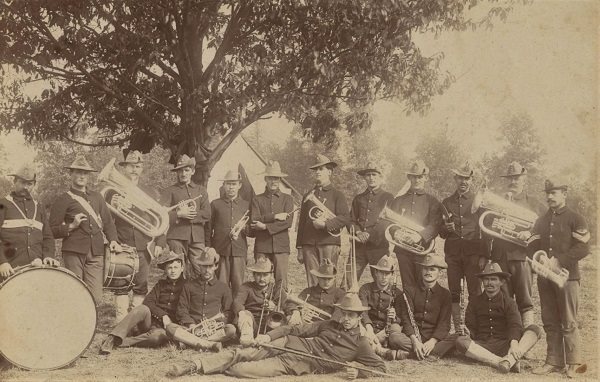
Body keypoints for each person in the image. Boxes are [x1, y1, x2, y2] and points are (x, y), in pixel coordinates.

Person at [168, 292, 386, 380]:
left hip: (295, 364)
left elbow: (381, 369)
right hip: (286, 343)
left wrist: (358, 372)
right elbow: (294, 330)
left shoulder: (361, 343)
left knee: (240, 369)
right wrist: (269, 337)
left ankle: (216, 365)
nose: (346, 319)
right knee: (241, 352)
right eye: (344, 313)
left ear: (359, 317)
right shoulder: (329, 324)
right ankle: (194, 366)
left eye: (351, 316)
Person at [521, 179, 590, 378]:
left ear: (564, 193)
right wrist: (541, 258)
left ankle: (573, 362)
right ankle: (553, 361)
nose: (550, 197)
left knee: (568, 321)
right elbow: (532, 245)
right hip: (545, 278)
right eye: (548, 193)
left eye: (555, 193)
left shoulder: (576, 218)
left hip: (568, 278)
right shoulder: (541, 220)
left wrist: (560, 261)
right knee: (550, 320)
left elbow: (583, 247)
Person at [49, 155, 121, 304]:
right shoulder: (62, 200)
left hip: (96, 252)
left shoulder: (97, 197)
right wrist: (71, 226)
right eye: (78, 172)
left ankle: (90, 326)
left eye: (85, 173)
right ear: (71, 174)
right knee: (74, 293)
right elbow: (52, 230)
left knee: (96, 297)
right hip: (73, 251)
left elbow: (108, 222)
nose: (82, 176)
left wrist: (113, 240)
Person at [485, 162, 546, 327]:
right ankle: (505, 338)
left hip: (522, 257)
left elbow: (547, 226)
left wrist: (530, 233)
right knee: (502, 299)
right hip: (499, 257)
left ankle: (526, 337)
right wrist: (494, 224)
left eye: (516, 178)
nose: (513, 181)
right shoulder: (498, 201)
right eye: (510, 178)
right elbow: (485, 226)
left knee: (525, 300)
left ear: (524, 179)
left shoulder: (533, 203)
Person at [455, 262, 541, 373]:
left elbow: (515, 324)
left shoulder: (509, 302)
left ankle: (509, 359)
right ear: (482, 281)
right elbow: (471, 327)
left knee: (535, 329)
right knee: (460, 341)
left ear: (502, 282)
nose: (489, 283)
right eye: (486, 279)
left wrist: (514, 343)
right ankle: (503, 362)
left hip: (505, 345)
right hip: (482, 346)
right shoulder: (474, 302)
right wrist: (468, 332)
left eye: (494, 279)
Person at [110, 150, 166, 320]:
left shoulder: (149, 191)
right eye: (131, 166)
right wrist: (111, 205)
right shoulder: (113, 190)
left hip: (144, 244)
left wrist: (160, 243)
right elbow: (106, 220)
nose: (134, 169)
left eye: (138, 166)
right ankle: (121, 320)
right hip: (122, 242)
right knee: (121, 283)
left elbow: (161, 218)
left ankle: (134, 321)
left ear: (142, 169)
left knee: (141, 283)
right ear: (124, 168)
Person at [99, 251, 186, 354]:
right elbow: (148, 302)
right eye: (170, 268)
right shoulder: (161, 284)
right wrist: (163, 315)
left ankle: (121, 342)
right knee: (142, 309)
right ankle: (112, 338)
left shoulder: (186, 286)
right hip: (151, 323)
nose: (173, 271)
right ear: (166, 270)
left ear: (182, 269)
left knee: (156, 337)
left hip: (168, 329)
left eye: (176, 267)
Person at [440, 161, 488, 333]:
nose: (463, 182)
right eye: (460, 177)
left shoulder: (479, 201)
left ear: (471, 180)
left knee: (475, 291)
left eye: (466, 178)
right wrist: (445, 228)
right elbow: (441, 232)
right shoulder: (446, 202)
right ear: (455, 178)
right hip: (453, 254)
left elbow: (485, 229)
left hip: (473, 253)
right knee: (454, 292)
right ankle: (459, 329)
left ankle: (475, 328)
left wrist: (484, 255)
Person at [164, 247, 236, 352]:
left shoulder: (223, 288)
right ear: (199, 266)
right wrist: (191, 324)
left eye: (210, 266)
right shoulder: (189, 285)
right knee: (170, 328)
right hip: (192, 328)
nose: (207, 270)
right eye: (203, 266)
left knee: (231, 329)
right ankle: (210, 345)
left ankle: (192, 342)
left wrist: (215, 324)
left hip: (214, 330)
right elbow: (181, 309)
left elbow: (228, 313)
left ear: (216, 266)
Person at [385, 160, 441, 289]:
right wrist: (395, 232)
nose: (417, 180)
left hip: (424, 248)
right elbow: (391, 224)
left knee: (424, 285)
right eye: (414, 177)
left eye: (420, 177)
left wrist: (420, 236)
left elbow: (435, 224)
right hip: (403, 250)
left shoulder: (432, 201)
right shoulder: (398, 200)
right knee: (408, 285)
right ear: (409, 177)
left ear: (425, 178)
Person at [297, 154, 351, 287]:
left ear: (330, 172)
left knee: (328, 279)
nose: (317, 172)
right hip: (308, 243)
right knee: (312, 281)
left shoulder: (337, 195)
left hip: (329, 243)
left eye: (321, 169)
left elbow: (345, 218)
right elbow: (302, 222)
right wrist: (299, 247)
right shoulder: (308, 195)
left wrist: (325, 224)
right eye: (316, 170)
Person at [0, 164, 59, 279]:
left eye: (29, 184)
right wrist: (2, 262)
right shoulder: (3, 204)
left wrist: (48, 256)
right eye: (22, 182)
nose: (26, 187)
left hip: (36, 270)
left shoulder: (39, 208)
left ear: (34, 185)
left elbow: (48, 238)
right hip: (9, 270)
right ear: (15, 181)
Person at [160, 154, 210, 279]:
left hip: (197, 237)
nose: (183, 173)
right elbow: (160, 214)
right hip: (176, 236)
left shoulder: (201, 190)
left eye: (187, 170)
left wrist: (190, 214)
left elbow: (207, 213)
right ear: (177, 172)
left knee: (202, 270)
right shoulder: (169, 190)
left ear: (193, 171)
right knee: (177, 272)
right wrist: (178, 214)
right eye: (180, 170)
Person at [397, 254, 455, 360]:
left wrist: (433, 341)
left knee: (457, 338)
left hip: (434, 338)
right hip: (412, 337)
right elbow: (406, 319)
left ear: (440, 272)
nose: (428, 272)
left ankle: (409, 354)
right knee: (394, 338)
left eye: (432, 269)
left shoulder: (446, 294)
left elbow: (444, 323)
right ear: (421, 270)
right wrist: (414, 341)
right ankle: (429, 353)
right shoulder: (410, 290)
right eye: (425, 269)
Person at [347, 161, 394, 287]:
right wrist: (358, 232)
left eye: (374, 174)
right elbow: (351, 220)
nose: (371, 178)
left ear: (380, 177)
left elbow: (387, 221)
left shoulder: (388, 197)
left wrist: (369, 234)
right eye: (368, 175)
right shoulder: (359, 198)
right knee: (348, 282)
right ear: (365, 178)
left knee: (383, 283)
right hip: (358, 247)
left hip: (379, 247)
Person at [250, 161, 294, 292]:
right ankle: (260, 308)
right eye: (270, 178)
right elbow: (254, 220)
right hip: (262, 245)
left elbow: (288, 222)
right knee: (261, 279)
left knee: (281, 281)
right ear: (265, 179)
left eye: (276, 178)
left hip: (281, 246)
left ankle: (280, 309)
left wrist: (265, 227)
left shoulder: (288, 199)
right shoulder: (257, 199)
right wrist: (274, 217)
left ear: (280, 179)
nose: (273, 181)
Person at [358, 254, 410, 360]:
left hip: (386, 330)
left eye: (387, 273)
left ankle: (371, 345)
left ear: (391, 275)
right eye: (381, 272)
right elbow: (363, 312)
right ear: (376, 273)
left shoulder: (398, 293)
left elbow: (400, 319)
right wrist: (369, 329)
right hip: (368, 327)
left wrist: (395, 317)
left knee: (395, 329)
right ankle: (382, 351)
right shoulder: (365, 289)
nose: (384, 277)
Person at [208, 170, 250, 296]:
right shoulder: (215, 204)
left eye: (234, 184)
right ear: (224, 185)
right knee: (221, 284)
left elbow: (252, 231)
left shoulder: (246, 205)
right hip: (220, 250)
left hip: (239, 250)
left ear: (239, 185)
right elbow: (208, 229)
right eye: (228, 184)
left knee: (238, 284)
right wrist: (210, 248)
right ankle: (222, 311)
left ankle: (237, 311)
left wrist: (243, 228)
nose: (231, 187)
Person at [233, 258, 288, 346]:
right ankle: (247, 340)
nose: (262, 278)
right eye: (258, 275)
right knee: (246, 314)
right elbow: (237, 302)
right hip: (252, 327)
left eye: (265, 275)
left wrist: (275, 307)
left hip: (272, 328)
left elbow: (288, 304)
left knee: (283, 314)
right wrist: (242, 313)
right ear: (253, 275)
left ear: (271, 275)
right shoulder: (246, 287)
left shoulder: (277, 289)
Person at [286, 259, 346, 325]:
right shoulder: (308, 291)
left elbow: (339, 312)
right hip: (305, 326)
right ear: (318, 277)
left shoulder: (340, 294)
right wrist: (295, 311)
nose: (326, 282)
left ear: (334, 279)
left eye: (329, 279)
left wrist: (330, 324)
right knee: (289, 319)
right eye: (323, 278)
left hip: (328, 326)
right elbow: (292, 303)